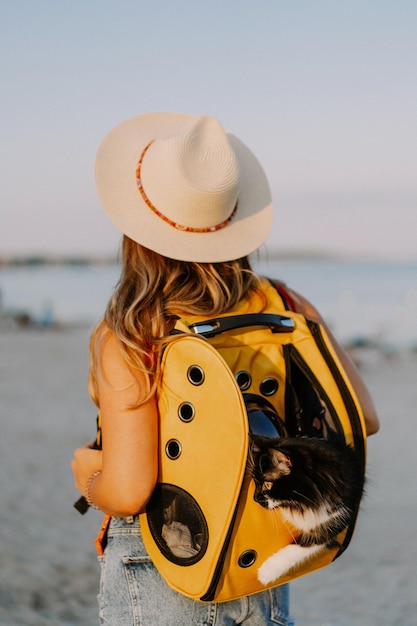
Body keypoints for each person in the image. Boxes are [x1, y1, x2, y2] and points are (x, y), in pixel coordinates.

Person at [71, 112, 379, 626]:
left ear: (136, 232)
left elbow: (128, 490)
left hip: (172, 560)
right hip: (258, 549)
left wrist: (89, 480)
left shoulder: (133, 330)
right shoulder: (284, 303)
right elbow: (360, 419)